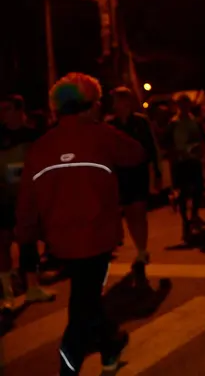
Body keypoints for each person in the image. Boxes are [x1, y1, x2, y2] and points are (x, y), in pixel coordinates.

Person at [15, 73, 146, 375]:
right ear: (89, 106)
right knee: (81, 308)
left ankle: (110, 342)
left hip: (60, 242)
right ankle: (72, 365)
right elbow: (136, 154)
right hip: (98, 238)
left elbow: (26, 203)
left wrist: (26, 245)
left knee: (85, 298)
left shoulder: (40, 147)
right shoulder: (102, 135)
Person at [0, 94, 54, 310]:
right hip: (2, 197)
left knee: (28, 241)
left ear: (19, 111)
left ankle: (32, 286)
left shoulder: (34, 135)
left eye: (6, 109)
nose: (2, 114)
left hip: (28, 196)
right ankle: (6, 294)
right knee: (2, 242)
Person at [106, 87, 162, 286]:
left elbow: (151, 147)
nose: (115, 104)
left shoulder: (140, 122)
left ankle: (141, 250)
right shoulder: (110, 124)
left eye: (118, 100)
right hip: (120, 173)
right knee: (129, 212)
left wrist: (157, 171)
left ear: (127, 102)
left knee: (139, 210)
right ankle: (140, 247)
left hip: (138, 171)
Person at [167, 94, 205, 241]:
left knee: (198, 189)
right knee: (183, 193)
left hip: (193, 160)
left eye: (186, 104)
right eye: (181, 104)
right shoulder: (174, 123)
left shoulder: (194, 121)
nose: (184, 107)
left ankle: (194, 215)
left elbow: (202, 138)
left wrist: (200, 149)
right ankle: (185, 221)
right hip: (181, 161)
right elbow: (168, 143)